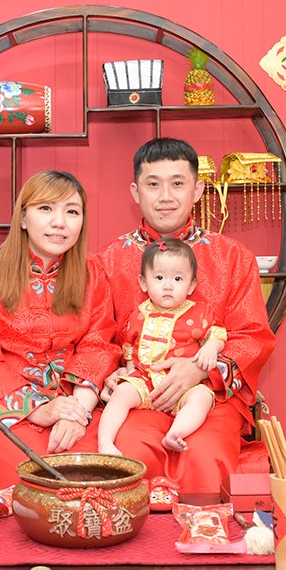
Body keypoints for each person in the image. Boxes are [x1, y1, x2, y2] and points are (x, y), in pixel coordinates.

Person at [97, 138, 275, 492]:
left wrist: (201, 370)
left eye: (177, 183)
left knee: (204, 456)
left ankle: (204, 526)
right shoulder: (108, 260)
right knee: (129, 454)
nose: (165, 196)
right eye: (153, 184)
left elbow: (253, 336)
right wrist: (110, 374)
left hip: (210, 397)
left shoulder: (233, 257)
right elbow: (97, 336)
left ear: (197, 190)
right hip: (139, 396)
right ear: (135, 192)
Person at [0, 170, 120, 490]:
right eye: (46, 208)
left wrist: (77, 414)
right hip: (1, 411)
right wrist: (37, 409)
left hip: (76, 404)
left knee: (102, 467)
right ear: (22, 217)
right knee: (29, 477)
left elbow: (98, 345)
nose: (59, 222)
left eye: (72, 211)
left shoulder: (92, 273)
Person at [99, 237, 227, 455]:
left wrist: (211, 348)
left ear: (191, 285)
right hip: (146, 380)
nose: (168, 286)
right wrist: (128, 371)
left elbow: (217, 333)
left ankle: (176, 433)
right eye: (159, 278)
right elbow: (129, 347)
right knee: (121, 393)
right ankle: (105, 442)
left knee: (202, 398)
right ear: (143, 283)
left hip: (185, 384)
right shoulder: (138, 314)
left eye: (178, 279)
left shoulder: (200, 313)